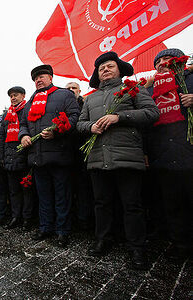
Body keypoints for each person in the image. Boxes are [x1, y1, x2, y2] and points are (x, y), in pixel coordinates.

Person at [77, 51, 159, 269]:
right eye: (101, 68)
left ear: (119, 69)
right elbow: (80, 123)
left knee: (132, 204)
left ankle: (137, 248)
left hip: (127, 156)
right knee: (101, 203)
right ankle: (103, 239)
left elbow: (152, 113)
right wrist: (90, 127)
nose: (105, 69)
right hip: (97, 157)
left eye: (110, 66)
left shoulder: (133, 89)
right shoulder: (90, 98)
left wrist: (119, 117)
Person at [19, 65, 80, 248]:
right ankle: (45, 227)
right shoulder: (30, 102)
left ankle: (63, 231)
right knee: (43, 196)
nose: (39, 79)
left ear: (51, 77)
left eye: (42, 76)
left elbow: (75, 117)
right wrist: (24, 136)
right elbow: (23, 124)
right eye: (36, 78)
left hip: (59, 155)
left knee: (62, 195)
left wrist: (58, 132)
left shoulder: (64, 95)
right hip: (37, 158)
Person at [145, 48, 193, 258]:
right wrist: (147, 152)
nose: (163, 63)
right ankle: (180, 243)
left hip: (189, 149)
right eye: (159, 61)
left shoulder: (190, 80)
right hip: (163, 152)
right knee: (172, 203)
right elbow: (146, 125)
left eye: (168, 59)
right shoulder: (150, 90)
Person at [0, 86, 33, 230]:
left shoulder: (28, 109)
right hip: (9, 158)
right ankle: (15, 217)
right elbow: (2, 136)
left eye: (16, 95)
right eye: (11, 96)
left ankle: (27, 219)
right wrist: (1, 156)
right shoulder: (7, 114)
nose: (13, 98)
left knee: (27, 191)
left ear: (23, 96)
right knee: (13, 191)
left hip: (24, 157)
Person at [65, 82, 94, 230]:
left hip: (84, 153)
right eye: (68, 88)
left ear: (79, 91)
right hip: (66, 153)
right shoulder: (61, 108)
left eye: (73, 88)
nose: (71, 90)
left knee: (84, 188)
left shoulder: (86, 103)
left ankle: (84, 220)